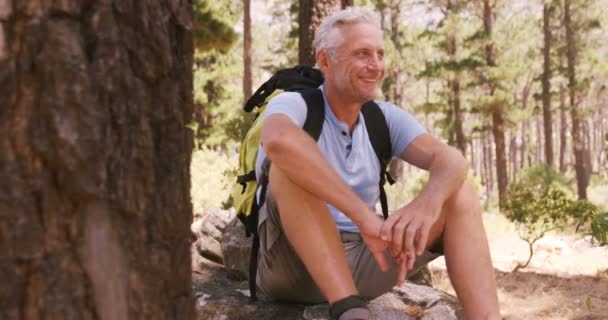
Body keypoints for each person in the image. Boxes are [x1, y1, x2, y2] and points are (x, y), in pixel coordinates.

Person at [254, 6, 501, 320]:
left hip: (365, 257)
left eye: (380, 54)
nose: (375, 66)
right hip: (289, 265)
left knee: (459, 191)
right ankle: (349, 309)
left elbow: (451, 160)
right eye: (361, 54)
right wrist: (363, 217)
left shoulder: (382, 116)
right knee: (286, 169)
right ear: (325, 61)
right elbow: (278, 141)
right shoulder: (293, 104)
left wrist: (427, 204)